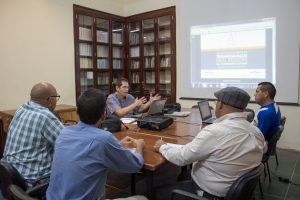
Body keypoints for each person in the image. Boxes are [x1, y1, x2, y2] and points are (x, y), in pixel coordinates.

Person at [153, 87, 266, 200]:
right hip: (237, 192)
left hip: (210, 194)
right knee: (184, 175)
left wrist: (162, 146)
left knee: (158, 193)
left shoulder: (215, 131)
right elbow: (263, 149)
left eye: (216, 101)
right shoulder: (256, 131)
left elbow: (181, 158)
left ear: (220, 104)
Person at [46, 88, 146, 200]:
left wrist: (117, 145)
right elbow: (135, 165)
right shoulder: (104, 138)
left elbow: (87, 151)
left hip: (52, 197)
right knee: (142, 198)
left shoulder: (64, 132)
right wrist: (139, 145)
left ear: (77, 112)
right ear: (104, 114)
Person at [2, 82, 64, 184]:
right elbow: (69, 145)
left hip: (9, 176)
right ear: (49, 100)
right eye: (56, 97)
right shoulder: (45, 117)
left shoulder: (21, 109)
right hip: (32, 182)